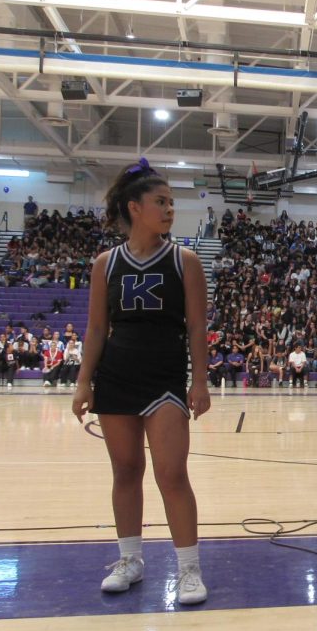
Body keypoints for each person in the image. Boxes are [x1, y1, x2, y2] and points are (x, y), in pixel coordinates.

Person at [71, 158, 211, 605]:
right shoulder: (105, 264)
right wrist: (83, 382)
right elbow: (96, 329)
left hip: (165, 376)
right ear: (135, 207)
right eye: (161, 202)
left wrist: (201, 380)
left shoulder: (184, 260)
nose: (170, 209)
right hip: (116, 375)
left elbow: (195, 327)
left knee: (172, 474)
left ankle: (188, 569)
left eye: (172, 203)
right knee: (126, 471)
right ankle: (130, 560)